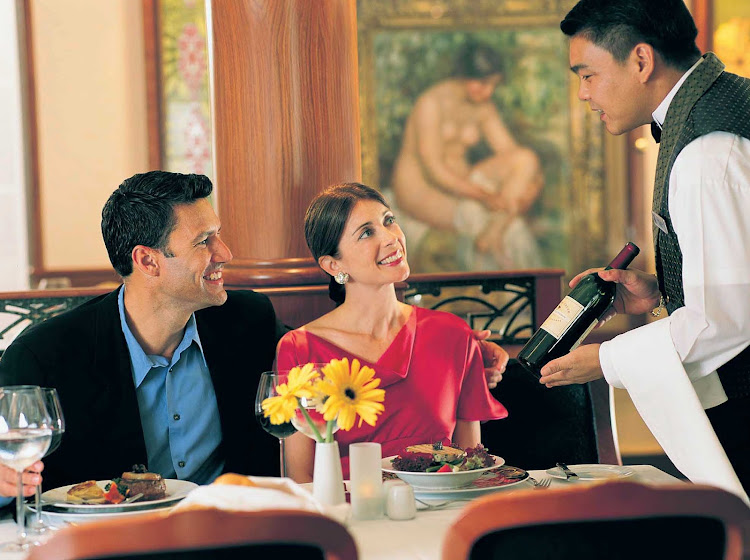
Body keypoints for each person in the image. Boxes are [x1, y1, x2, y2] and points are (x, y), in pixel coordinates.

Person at [0, 172, 510, 500]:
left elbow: (334, 360)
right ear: (147, 260)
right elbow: (11, 471)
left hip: (243, 542)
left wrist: (471, 353)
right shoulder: (45, 356)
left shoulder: (246, 322)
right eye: (204, 241)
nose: (225, 252)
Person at [538, 0, 750, 497]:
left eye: (588, 75)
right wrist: (662, 294)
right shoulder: (720, 109)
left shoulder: (706, 150)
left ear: (640, 60)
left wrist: (606, 361)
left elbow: (724, 322)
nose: (584, 95)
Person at [277, 183, 508, 481]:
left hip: (439, 514)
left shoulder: (452, 334)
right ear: (334, 264)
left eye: (388, 221)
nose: (391, 238)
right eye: (366, 232)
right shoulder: (300, 348)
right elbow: (303, 481)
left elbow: (472, 467)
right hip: (350, 517)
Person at [391, 41, 544, 270]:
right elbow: (433, 170)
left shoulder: (483, 106)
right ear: (463, 76)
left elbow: (511, 153)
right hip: (422, 189)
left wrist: (534, 182)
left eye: (493, 85)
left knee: (527, 159)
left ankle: (494, 232)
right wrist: (483, 195)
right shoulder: (431, 103)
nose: (488, 91)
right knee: (502, 225)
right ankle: (501, 262)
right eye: (482, 83)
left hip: (464, 184)